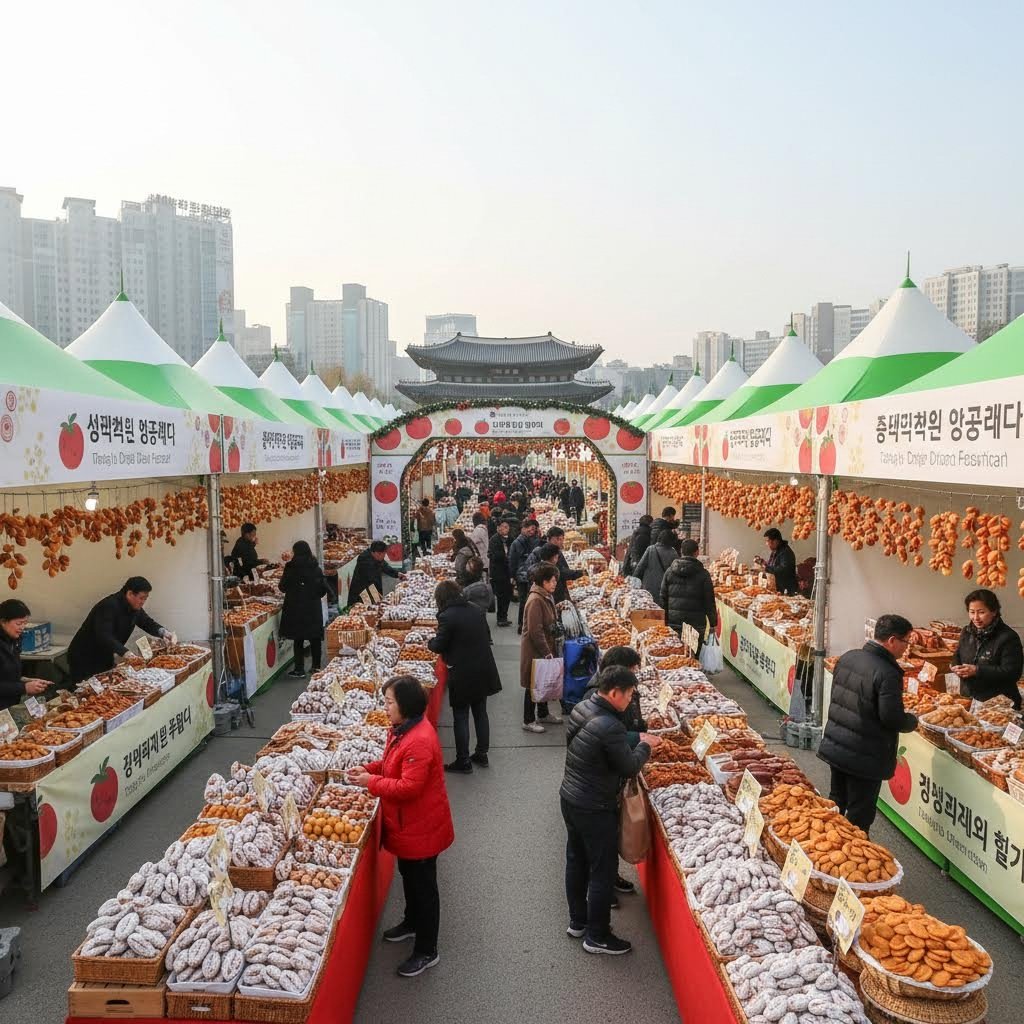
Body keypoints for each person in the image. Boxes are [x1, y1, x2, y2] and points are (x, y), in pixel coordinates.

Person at [348, 676, 454, 977]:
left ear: (405, 705)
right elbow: (391, 764)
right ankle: (411, 922)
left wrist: (372, 783)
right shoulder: (401, 730)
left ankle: (427, 949)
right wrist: (368, 770)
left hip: (421, 828)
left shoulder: (419, 740)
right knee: (409, 876)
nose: (385, 707)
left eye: (389, 702)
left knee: (424, 887)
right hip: (409, 826)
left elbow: (409, 787)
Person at [560, 665, 659, 954]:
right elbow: (628, 766)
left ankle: (578, 921)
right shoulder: (610, 725)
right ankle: (597, 936)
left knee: (576, 860)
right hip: (595, 805)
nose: (630, 701)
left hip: (570, 796)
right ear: (614, 692)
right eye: (629, 695)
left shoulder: (580, 708)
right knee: (602, 871)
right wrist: (645, 746)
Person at [817, 614, 919, 833]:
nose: (906, 648)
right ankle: (849, 860)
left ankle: (824, 844)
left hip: (838, 743)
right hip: (865, 754)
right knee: (860, 813)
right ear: (892, 640)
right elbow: (891, 717)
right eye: (905, 642)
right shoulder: (888, 672)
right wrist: (912, 721)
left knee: (836, 800)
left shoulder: (848, 657)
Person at [584, 646, 647, 899]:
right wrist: (642, 741)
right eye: (632, 672)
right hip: (597, 792)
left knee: (608, 841)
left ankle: (610, 876)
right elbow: (621, 751)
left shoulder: (611, 699)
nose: (634, 692)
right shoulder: (597, 706)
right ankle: (601, 897)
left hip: (600, 786)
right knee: (599, 847)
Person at [429, 581, 502, 773]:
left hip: (462, 672)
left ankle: (463, 760)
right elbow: (486, 636)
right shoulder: (475, 609)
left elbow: (438, 645)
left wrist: (429, 642)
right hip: (483, 668)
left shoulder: (447, 616)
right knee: (480, 712)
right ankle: (482, 753)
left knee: (460, 715)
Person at [68, 577, 170, 683]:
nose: (143, 602)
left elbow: (146, 622)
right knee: (87, 691)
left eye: (145, 598)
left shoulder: (134, 607)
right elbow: (104, 635)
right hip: (84, 656)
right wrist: (126, 653)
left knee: (107, 686)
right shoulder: (109, 605)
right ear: (130, 593)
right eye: (141, 598)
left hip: (105, 654)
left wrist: (163, 632)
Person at [951, 589, 1024, 708]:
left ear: (994, 611)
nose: (975, 617)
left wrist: (977, 670)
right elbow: (958, 654)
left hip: (1000, 704)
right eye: (971, 612)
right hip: (970, 698)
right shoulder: (967, 632)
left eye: (981, 612)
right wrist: (956, 667)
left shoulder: (1008, 637)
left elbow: (1012, 672)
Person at [520, 563, 564, 731]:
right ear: (543, 581)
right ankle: (528, 720)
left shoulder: (545, 595)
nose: (555, 584)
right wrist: (546, 652)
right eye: (552, 581)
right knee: (533, 683)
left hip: (545, 645)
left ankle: (544, 713)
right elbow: (535, 631)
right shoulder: (535, 600)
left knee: (544, 680)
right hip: (535, 650)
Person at [278, 541, 328, 678]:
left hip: (296, 607)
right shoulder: (315, 567)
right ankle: (316, 667)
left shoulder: (291, 567)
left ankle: (299, 669)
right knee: (315, 637)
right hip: (312, 606)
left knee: (298, 638)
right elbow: (323, 590)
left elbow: (282, 587)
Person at [660, 539, 717, 653]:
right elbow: (709, 601)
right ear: (697, 553)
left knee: (675, 654)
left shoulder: (670, 571)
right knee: (692, 656)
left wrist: (665, 620)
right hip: (695, 623)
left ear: (681, 551)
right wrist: (713, 623)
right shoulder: (703, 574)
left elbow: (663, 596)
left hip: (674, 621)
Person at [0, 600, 49, 711]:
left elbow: (5, 674)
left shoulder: (13, 640)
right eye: (19, 623)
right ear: (3, 622)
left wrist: (25, 680)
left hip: (8, 704)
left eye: (25, 623)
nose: (22, 627)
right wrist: (23, 688)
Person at [346, 541, 404, 607]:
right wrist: (379, 597)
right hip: (362, 592)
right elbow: (372, 580)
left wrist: (397, 574)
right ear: (377, 553)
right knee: (364, 611)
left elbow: (385, 566)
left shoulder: (376, 557)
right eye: (384, 554)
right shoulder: (364, 560)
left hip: (371, 590)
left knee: (376, 608)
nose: (384, 556)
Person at [510, 519, 542, 633]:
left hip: (527, 574)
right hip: (523, 575)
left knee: (526, 601)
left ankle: (524, 624)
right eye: (530, 529)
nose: (531, 531)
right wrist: (512, 576)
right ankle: (522, 625)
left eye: (534, 529)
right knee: (524, 601)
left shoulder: (529, 540)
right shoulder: (519, 542)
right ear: (523, 528)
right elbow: (512, 560)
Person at [632, 528, 677, 603]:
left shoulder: (651, 549)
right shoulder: (673, 553)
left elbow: (640, 567)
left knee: (648, 607)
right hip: (664, 588)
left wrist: (633, 581)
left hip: (648, 586)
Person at [544, 527, 585, 603]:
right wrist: (581, 573)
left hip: (558, 589)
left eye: (561, 539)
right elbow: (561, 572)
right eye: (557, 539)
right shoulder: (548, 552)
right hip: (554, 592)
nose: (560, 542)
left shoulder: (556, 550)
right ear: (548, 539)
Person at [756, 527, 798, 595]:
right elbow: (773, 565)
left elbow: (783, 570)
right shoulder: (776, 550)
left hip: (786, 590)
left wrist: (766, 568)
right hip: (778, 588)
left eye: (768, 541)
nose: (767, 544)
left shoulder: (785, 552)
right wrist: (763, 562)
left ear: (775, 541)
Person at [488, 521, 514, 627]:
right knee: (501, 596)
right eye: (504, 527)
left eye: (507, 527)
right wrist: (505, 555)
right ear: (498, 528)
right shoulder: (494, 540)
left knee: (507, 595)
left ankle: (504, 616)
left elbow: (513, 552)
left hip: (508, 571)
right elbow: (494, 555)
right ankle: (500, 618)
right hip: (498, 572)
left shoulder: (510, 539)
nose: (506, 529)